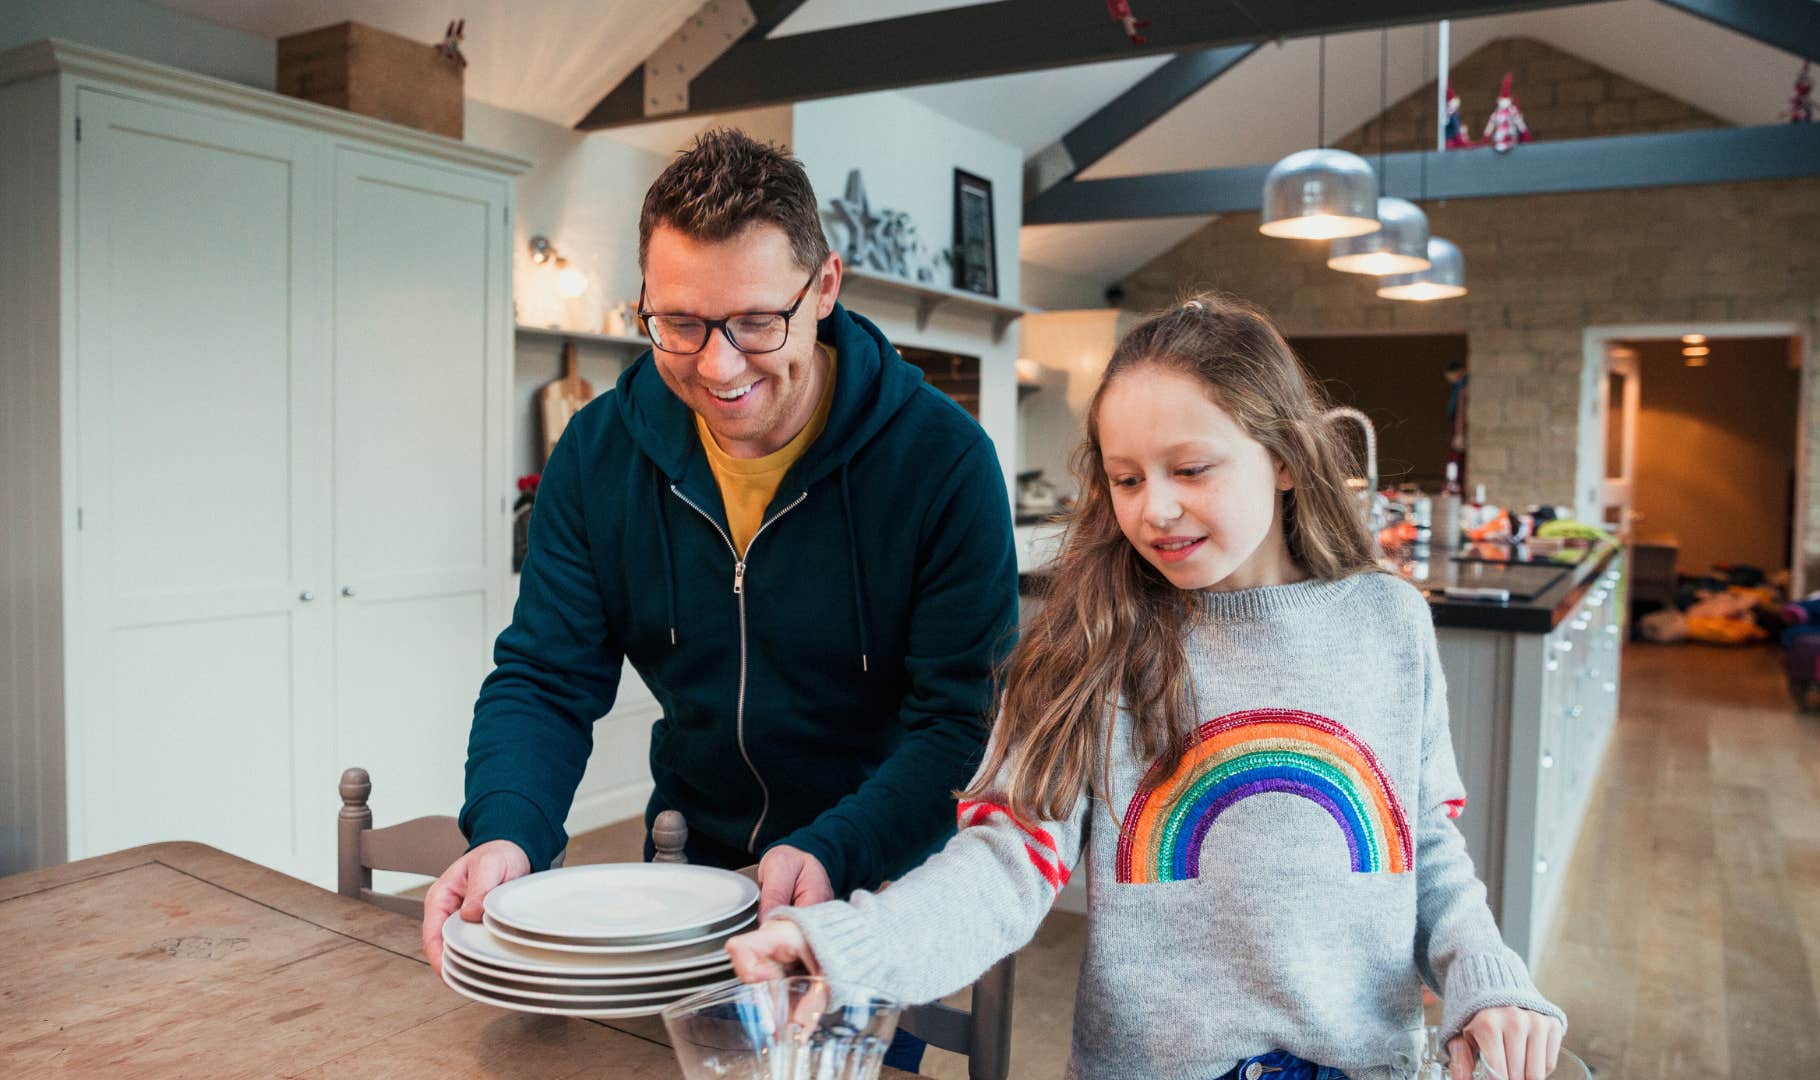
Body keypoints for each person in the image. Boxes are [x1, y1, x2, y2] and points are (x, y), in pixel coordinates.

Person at [727, 295, 1567, 1080]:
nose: (1154, 508)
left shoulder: (1389, 622)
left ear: (1282, 457)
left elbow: (1424, 844)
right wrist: (852, 946)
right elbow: (1006, 862)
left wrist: (1485, 978)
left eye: (1191, 468)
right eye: (1126, 479)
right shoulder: (1090, 640)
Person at [421, 131, 1017, 1010]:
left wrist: (835, 851)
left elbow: (959, 723)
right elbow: (546, 679)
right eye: (682, 324)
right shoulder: (598, 454)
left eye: (754, 322)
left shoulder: (942, 462)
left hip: (882, 870)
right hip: (685, 874)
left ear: (824, 288)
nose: (717, 365)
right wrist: (509, 833)